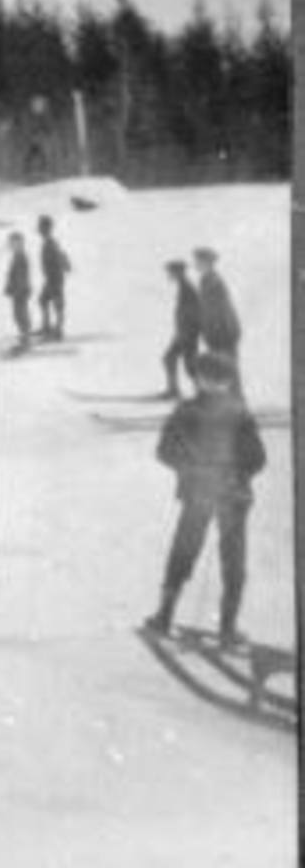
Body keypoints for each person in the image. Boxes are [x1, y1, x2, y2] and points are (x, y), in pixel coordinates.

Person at [145, 352, 266, 648]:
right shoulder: (240, 412)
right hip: (234, 497)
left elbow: (164, 451)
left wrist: (189, 469)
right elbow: (258, 458)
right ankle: (227, 627)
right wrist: (237, 474)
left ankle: (164, 615)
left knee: (184, 551)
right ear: (227, 381)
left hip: (197, 494)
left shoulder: (185, 411)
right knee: (233, 561)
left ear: (198, 379)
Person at [194, 246, 242, 393]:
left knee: (227, 367)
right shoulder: (206, 280)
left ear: (207, 263)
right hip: (218, 331)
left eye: (198, 262)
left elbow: (221, 310)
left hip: (223, 331)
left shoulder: (213, 281)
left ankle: (237, 403)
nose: (196, 265)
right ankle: (233, 402)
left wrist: (216, 333)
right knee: (224, 367)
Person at [161, 259, 201, 399]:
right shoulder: (184, 286)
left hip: (187, 332)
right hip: (183, 331)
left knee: (190, 364)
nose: (168, 275)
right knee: (169, 358)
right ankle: (173, 390)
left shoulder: (187, 288)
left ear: (178, 273)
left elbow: (194, 312)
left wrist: (186, 332)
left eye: (170, 272)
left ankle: (200, 393)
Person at [37, 215, 72, 339]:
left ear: (47, 228)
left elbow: (59, 257)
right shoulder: (48, 242)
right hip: (50, 278)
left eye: (41, 227)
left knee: (57, 304)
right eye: (39, 227)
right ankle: (47, 327)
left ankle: (58, 331)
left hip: (55, 279)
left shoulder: (51, 243)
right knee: (43, 300)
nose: (38, 229)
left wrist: (64, 266)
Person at [4, 231, 33, 349]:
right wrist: (9, 287)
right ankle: (24, 337)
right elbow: (13, 274)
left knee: (21, 314)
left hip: (21, 291)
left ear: (20, 244)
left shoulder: (21, 257)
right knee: (18, 314)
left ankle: (25, 339)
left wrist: (17, 289)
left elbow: (21, 276)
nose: (11, 246)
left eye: (14, 243)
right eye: (11, 243)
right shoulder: (17, 256)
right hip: (19, 290)